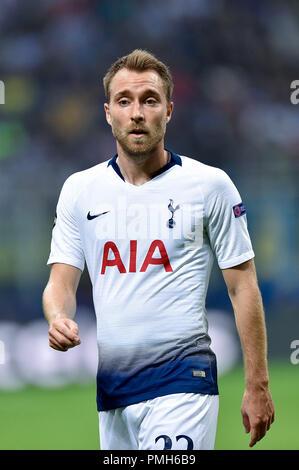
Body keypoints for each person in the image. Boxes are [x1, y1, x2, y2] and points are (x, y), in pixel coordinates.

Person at [42, 49, 275, 450]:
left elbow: (243, 288)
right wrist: (57, 316)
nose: (136, 112)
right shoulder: (79, 190)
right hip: (113, 392)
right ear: (108, 112)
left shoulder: (210, 186)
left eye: (149, 100)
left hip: (184, 382)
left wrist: (257, 384)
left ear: (168, 110)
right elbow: (60, 282)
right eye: (124, 101)